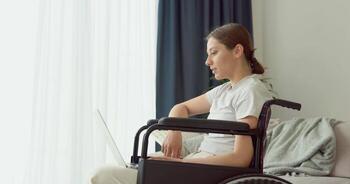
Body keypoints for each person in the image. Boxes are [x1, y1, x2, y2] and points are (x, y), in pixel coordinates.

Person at [90, 23, 273, 184]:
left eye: (214, 53)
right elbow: (181, 108)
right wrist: (174, 131)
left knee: (103, 175)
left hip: (209, 170)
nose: (207, 61)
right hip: (198, 163)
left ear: (237, 51)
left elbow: (241, 158)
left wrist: (184, 164)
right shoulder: (225, 91)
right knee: (141, 163)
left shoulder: (250, 90)